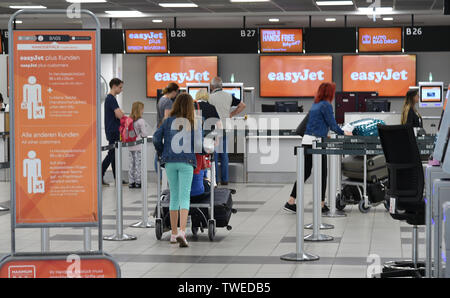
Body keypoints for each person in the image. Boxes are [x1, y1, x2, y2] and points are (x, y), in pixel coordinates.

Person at [284, 82, 352, 214]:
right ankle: (321, 205)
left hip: (307, 141)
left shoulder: (316, 105)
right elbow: (333, 125)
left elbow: (316, 124)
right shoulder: (326, 105)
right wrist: (344, 133)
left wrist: (326, 134)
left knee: (305, 173)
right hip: (317, 143)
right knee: (323, 174)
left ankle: (291, 201)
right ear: (329, 93)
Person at [153, 93, 202, 248]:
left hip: (170, 162)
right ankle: (182, 231)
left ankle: (173, 234)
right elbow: (199, 145)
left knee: (173, 195)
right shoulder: (193, 123)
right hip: (186, 161)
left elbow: (155, 138)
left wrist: (162, 152)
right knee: (184, 196)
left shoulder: (167, 121)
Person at [208, 77, 246, 185]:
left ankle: (215, 180)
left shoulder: (209, 97)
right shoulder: (229, 96)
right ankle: (225, 180)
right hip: (226, 127)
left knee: (214, 154)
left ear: (212, 87)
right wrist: (231, 114)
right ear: (221, 86)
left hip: (214, 127)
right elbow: (242, 105)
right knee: (224, 154)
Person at [101, 78, 125, 186]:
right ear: (114, 86)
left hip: (113, 130)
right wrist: (121, 113)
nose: (121, 90)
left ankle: (117, 178)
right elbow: (119, 115)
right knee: (111, 154)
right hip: (113, 130)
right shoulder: (111, 99)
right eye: (120, 87)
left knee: (114, 155)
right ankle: (100, 174)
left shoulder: (111, 98)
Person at [128, 101, 149, 189]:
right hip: (138, 145)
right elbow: (144, 134)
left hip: (130, 145)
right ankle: (138, 182)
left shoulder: (129, 120)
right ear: (140, 109)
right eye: (142, 108)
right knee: (138, 164)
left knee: (131, 164)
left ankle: (131, 182)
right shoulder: (141, 121)